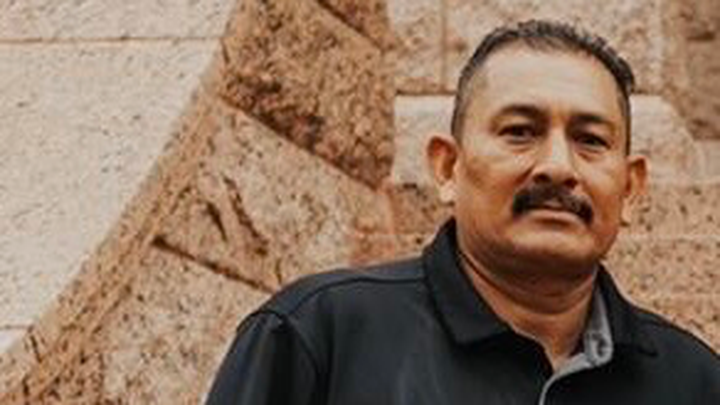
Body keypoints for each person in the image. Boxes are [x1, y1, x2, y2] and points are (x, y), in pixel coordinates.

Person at [205, 20, 720, 404]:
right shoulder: (318, 336)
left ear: (630, 188)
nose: (558, 167)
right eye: (520, 131)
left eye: (590, 140)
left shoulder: (694, 382)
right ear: (448, 167)